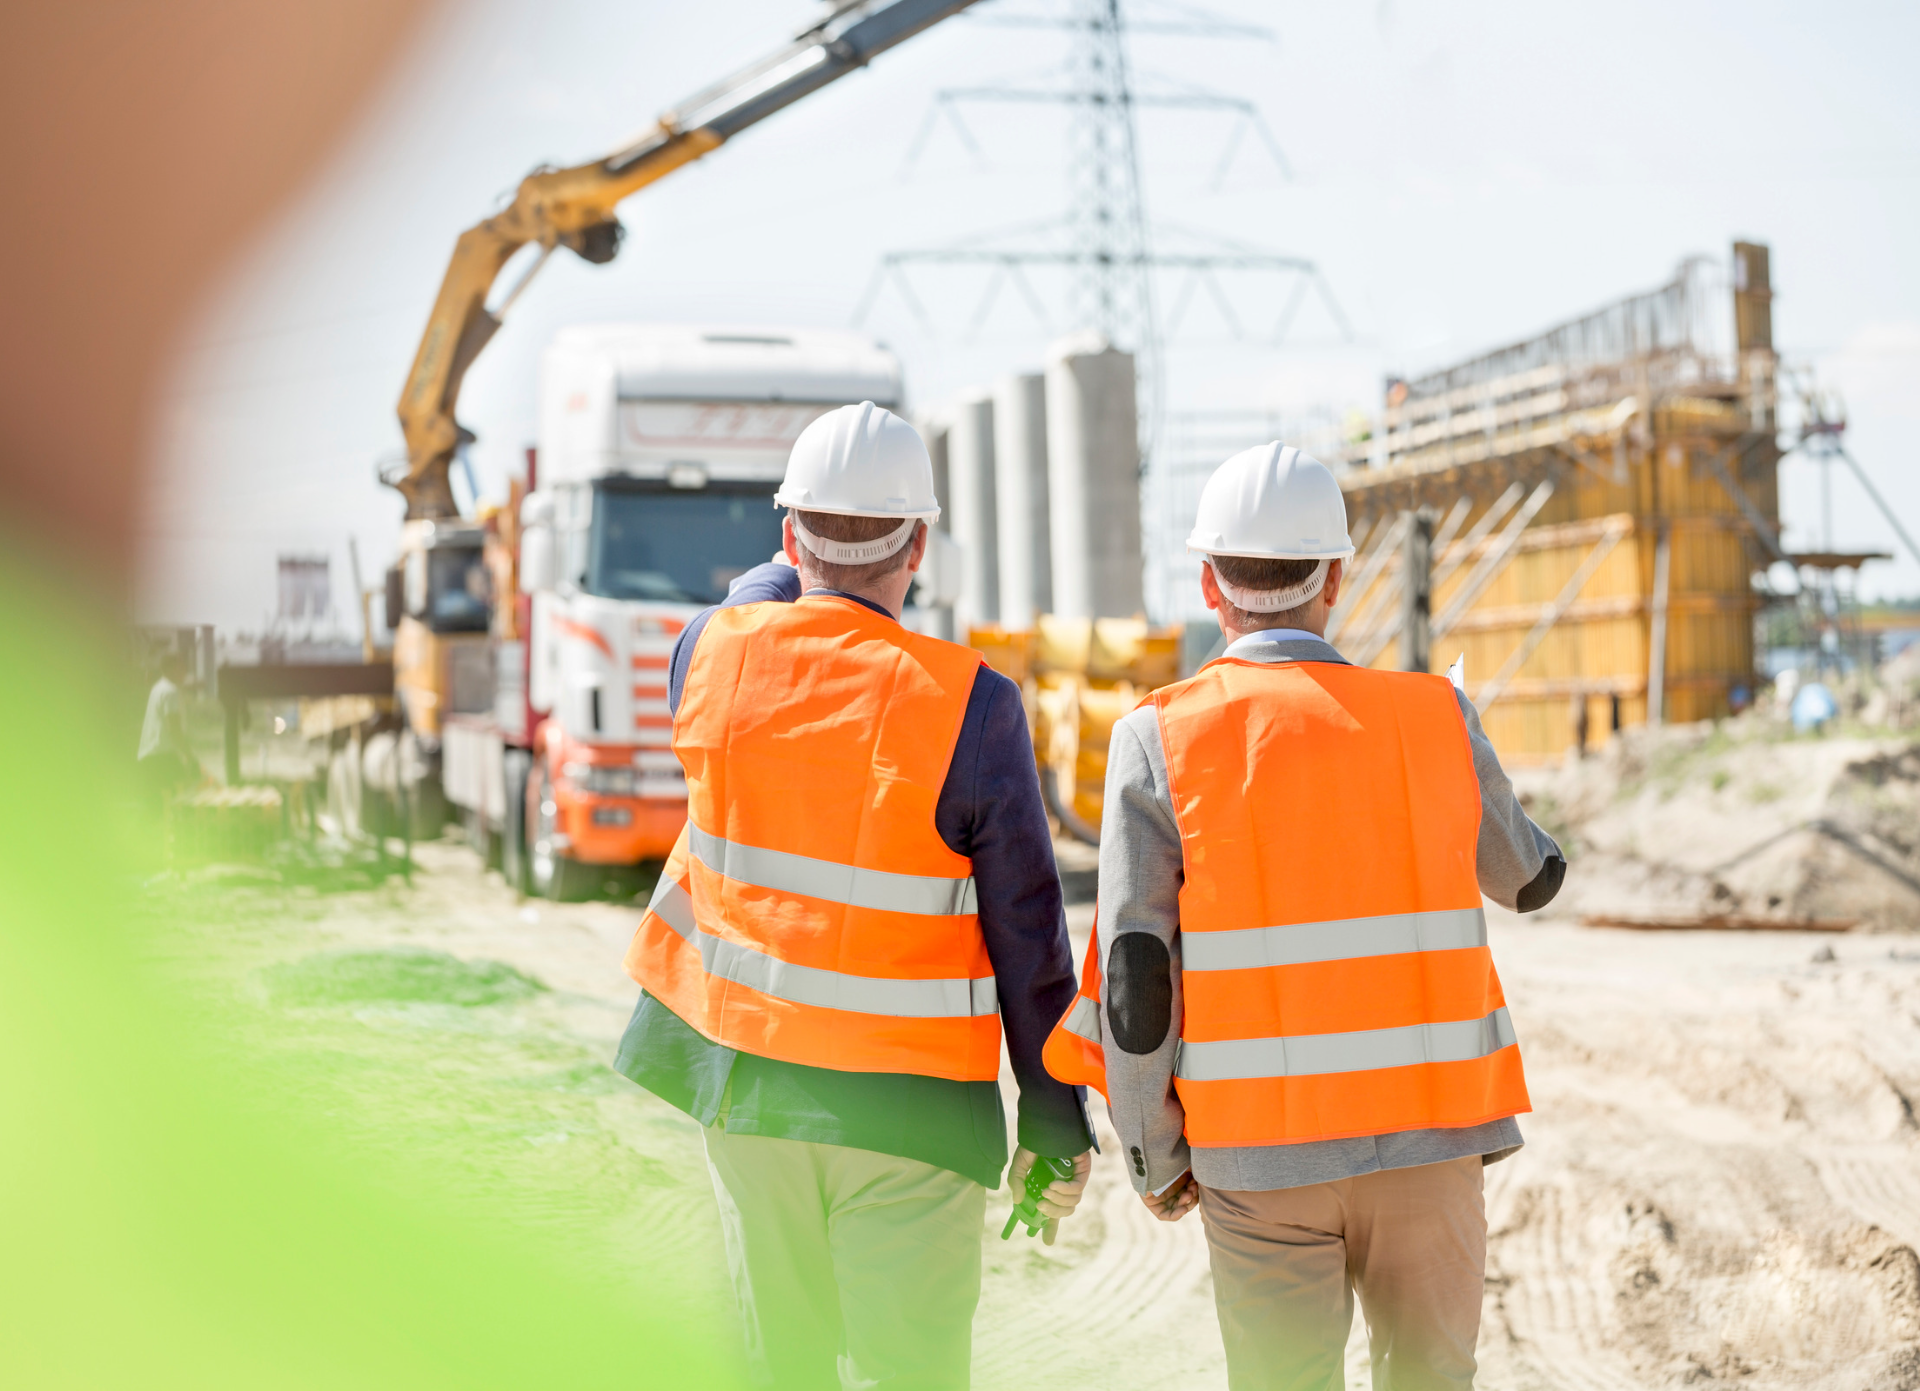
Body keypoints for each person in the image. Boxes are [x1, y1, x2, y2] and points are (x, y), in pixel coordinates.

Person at [1045, 443, 1565, 1390]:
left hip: (1259, 1161)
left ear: (1210, 583)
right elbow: (1528, 879)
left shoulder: (1157, 737)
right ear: (1335, 576)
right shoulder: (1434, 716)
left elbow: (1134, 975)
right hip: (1432, 1137)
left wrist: (1152, 1149)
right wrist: (1464, 737)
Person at [618, 401, 1095, 1390]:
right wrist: (1054, 1117)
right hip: (910, 1116)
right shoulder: (972, 702)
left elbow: (759, 594)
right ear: (919, 542)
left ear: (789, 532)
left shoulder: (711, 653)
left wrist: (797, 552)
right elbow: (1028, 932)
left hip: (748, 1093)